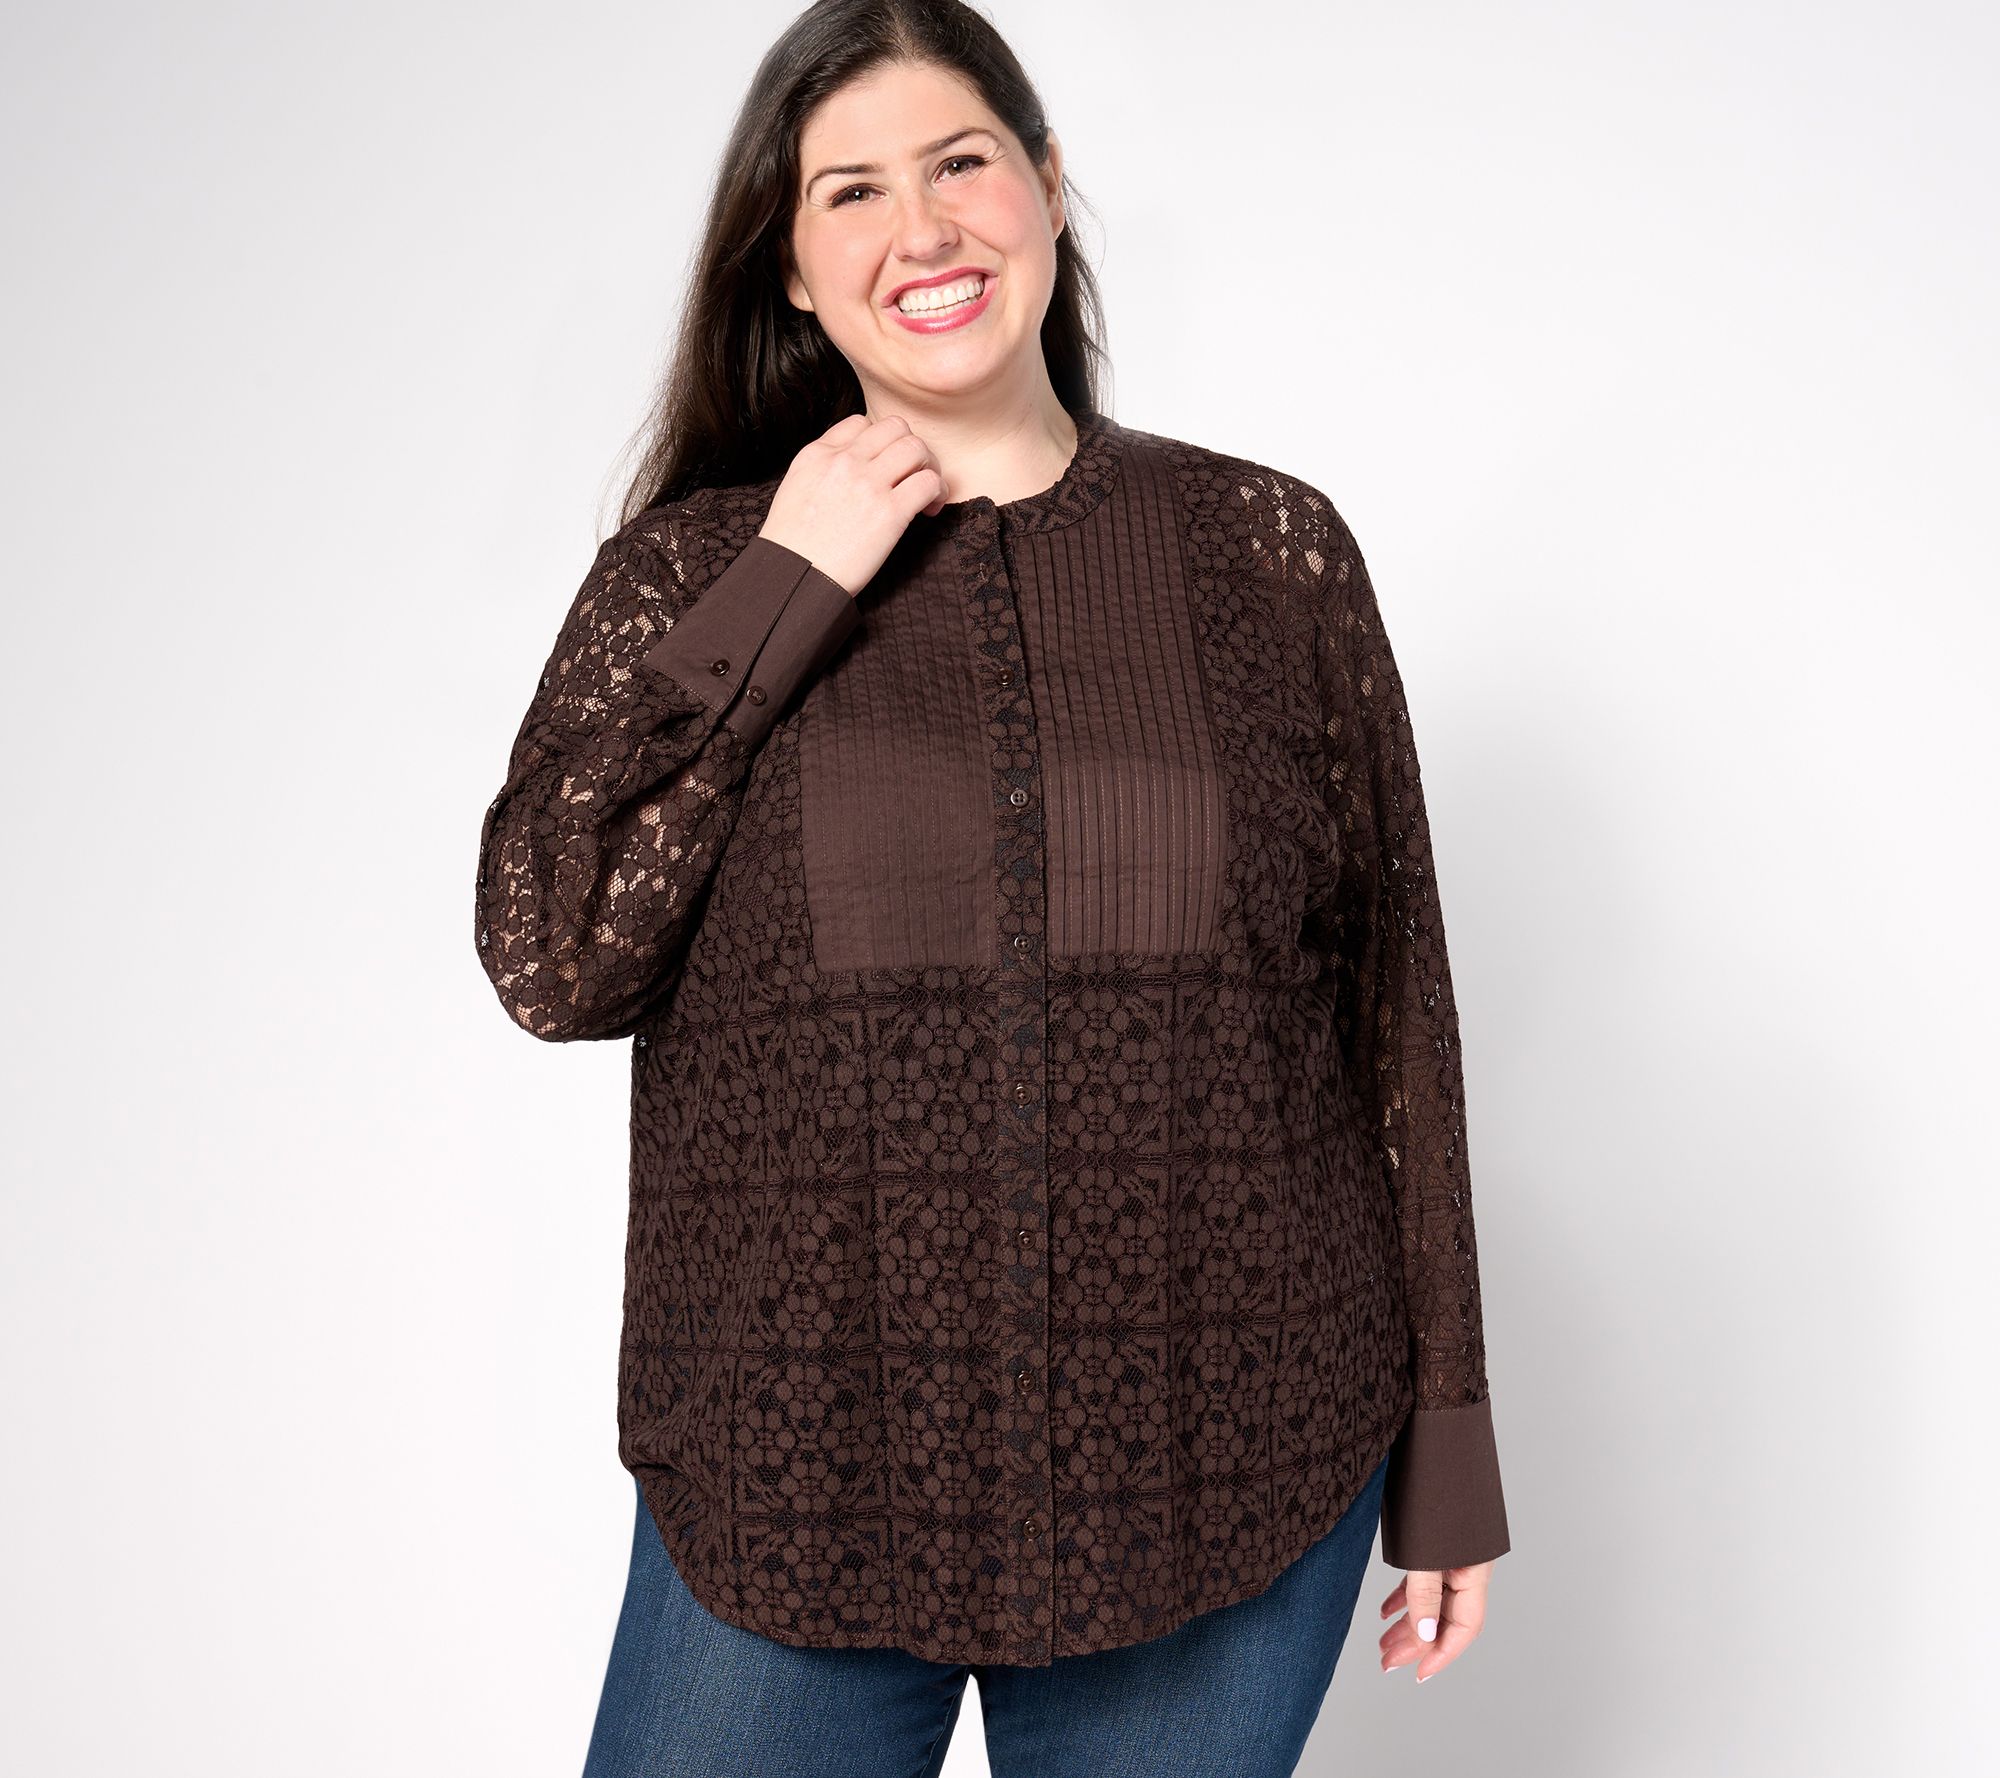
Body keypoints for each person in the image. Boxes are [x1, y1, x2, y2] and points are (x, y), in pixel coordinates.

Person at [472, 3, 1512, 1773]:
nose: (922, 229)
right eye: (851, 192)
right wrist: (785, 587)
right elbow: (556, 953)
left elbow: (1390, 1008)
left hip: (1225, 1451)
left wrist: (1452, 1445)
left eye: (960, 164)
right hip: (800, 1465)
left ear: (1045, 182)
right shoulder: (696, 572)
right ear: (792, 270)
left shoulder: (1267, 554)